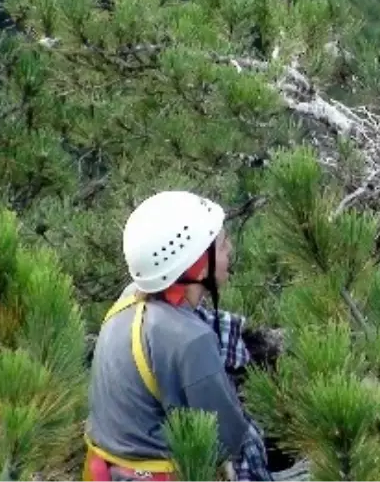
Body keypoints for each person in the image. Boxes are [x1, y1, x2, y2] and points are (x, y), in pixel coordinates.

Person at [84, 190, 273, 482]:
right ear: (197, 265)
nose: (230, 249)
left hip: (109, 467)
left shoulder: (130, 300)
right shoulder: (190, 338)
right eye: (222, 245)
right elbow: (227, 439)